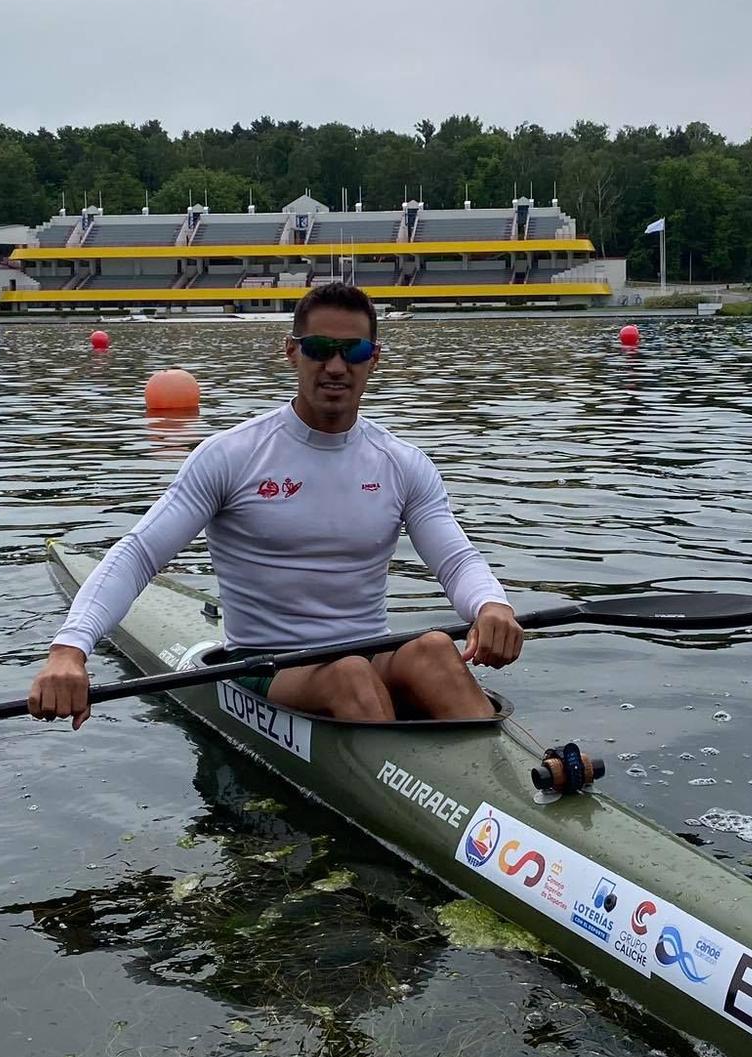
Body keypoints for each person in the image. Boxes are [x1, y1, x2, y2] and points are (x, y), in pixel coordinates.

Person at [28, 282, 522, 729]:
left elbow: (457, 561)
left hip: (367, 652)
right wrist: (70, 650)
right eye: (319, 349)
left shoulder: (402, 463)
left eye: (353, 350)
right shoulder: (232, 456)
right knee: (347, 675)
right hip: (265, 663)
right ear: (292, 352)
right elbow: (138, 556)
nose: (335, 366)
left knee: (435, 648)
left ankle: (506, 785)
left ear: (374, 359)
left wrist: (491, 604)